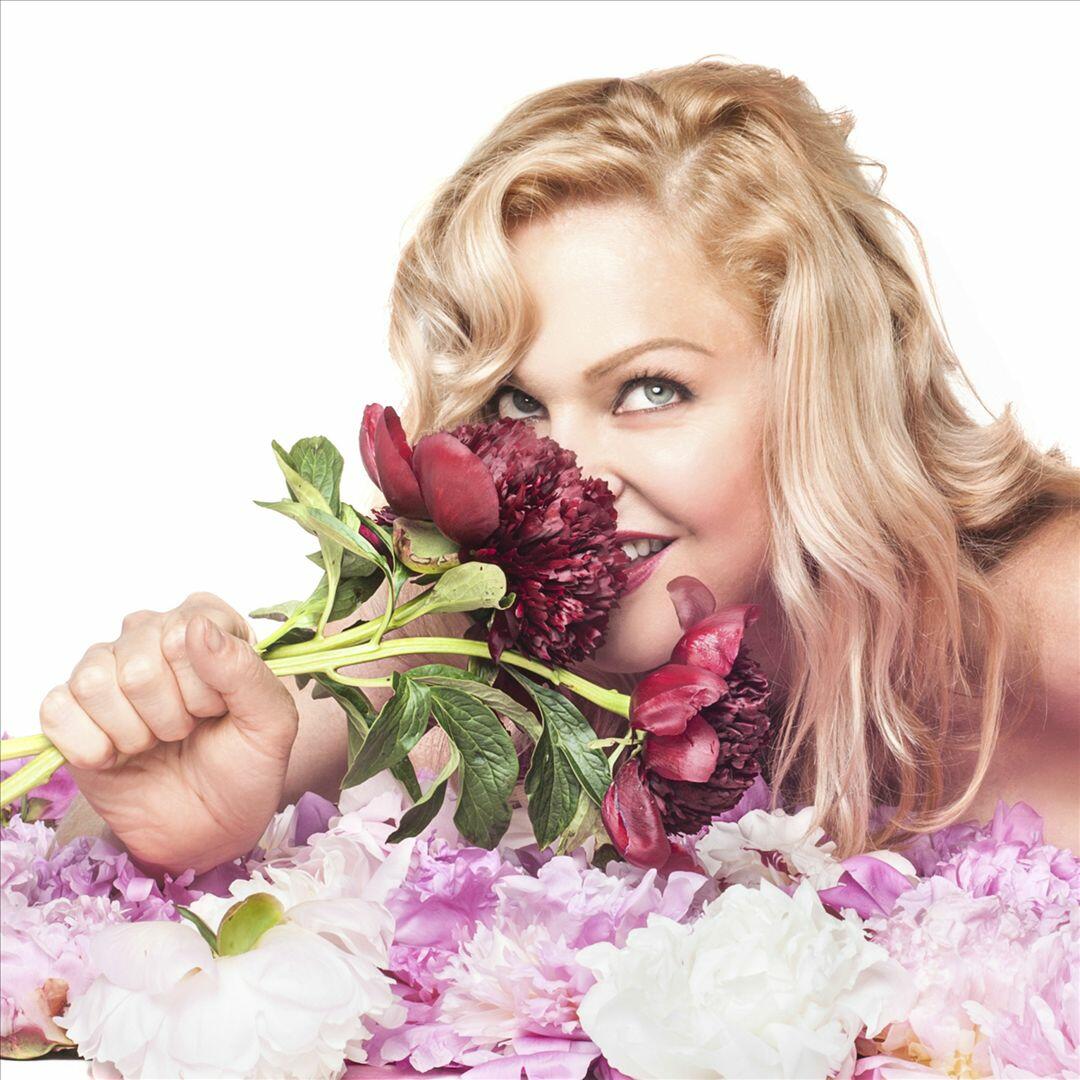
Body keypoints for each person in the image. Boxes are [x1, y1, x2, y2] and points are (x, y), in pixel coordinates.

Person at [49, 59, 1080, 875]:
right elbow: (79, 870)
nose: (570, 479)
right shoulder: (455, 637)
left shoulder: (1041, 613)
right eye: (518, 403)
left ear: (824, 388)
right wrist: (163, 814)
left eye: (651, 389)